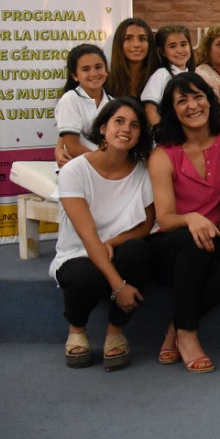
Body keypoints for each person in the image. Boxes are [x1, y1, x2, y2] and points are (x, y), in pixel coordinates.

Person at [147, 72, 220, 373]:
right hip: (172, 242)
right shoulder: (163, 155)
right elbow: (164, 217)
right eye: (182, 100)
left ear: (210, 101)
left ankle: (175, 326)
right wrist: (192, 217)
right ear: (172, 110)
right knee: (195, 241)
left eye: (198, 96)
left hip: (216, 240)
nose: (192, 106)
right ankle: (188, 335)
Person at [49, 97, 155, 371]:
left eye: (134, 125)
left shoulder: (143, 171)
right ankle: (76, 328)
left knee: (139, 251)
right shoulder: (75, 170)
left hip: (115, 249)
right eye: (119, 121)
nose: (126, 129)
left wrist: (114, 242)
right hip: (79, 253)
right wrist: (119, 287)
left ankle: (115, 330)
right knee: (86, 275)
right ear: (104, 128)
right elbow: (87, 236)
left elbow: (146, 225)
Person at [54, 44, 112, 168]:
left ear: (106, 69)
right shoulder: (70, 99)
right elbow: (72, 147)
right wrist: (107, 161)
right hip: (78, 168)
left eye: (98, 67)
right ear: (75, 75)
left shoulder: (113, 103)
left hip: (108, 168)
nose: (94, 73)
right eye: (86, 69)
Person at [142, 25, 194, 126]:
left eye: (183, 45)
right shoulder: (161, 75)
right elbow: (150, 110)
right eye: (172, 46)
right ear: (162, 52)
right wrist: (163, 135)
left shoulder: (193, 75)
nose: (179, 51)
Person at [105, 17, 157, 99]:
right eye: (128, 38)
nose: (136, 44)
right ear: (119, 43)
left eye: (142, 39)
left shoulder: (159, 79)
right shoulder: (106, 83)